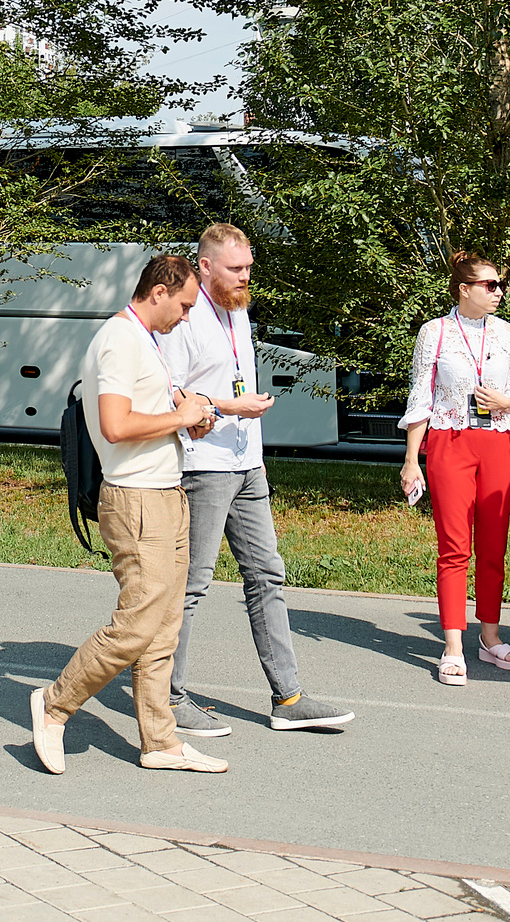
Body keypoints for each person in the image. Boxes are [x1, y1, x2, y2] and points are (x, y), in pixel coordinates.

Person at [31, 254, 225, 775]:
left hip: (166, 493)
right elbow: (115, 425)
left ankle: (160, 742)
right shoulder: (118, 339)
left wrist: (188, 421)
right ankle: (54, 704)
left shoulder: (146, 340)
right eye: (184, 305)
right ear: (159, 291)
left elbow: (149, 416)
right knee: (138, 625)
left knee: (164, 629)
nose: (186, 316)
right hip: (136, 498)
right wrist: (179, 416)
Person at [164, 226, 353, 736]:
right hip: (203, 465)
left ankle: (288, 698)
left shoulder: (237, 307)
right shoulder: (184, 315)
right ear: (205, 266)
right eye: (235, 269)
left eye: (249, 267)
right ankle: (169, 697)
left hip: (247, 461)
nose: (245, 277)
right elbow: (171, 392)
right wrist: (230, 406)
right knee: (191, 584)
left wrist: (248, 420)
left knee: (267, 575)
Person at [398, 252, 510, 685]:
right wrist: (410, 460)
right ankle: (453, 644)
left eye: (499, 285)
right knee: (455, 547)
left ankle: (490, 637)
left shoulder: (509, 334)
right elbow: (421, 399)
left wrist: (507, 403)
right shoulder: (434, 332)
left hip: (499, 442)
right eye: (490, 285)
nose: (498, 292)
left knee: (494, 546)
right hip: (450, 441)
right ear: (465, 289)